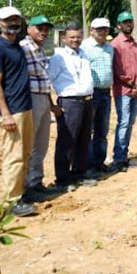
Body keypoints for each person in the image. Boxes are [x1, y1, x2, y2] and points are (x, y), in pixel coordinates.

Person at [0, 7, 37, 216]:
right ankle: (12, 201)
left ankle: (21, 193)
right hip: (12, 111)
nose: (13, 23)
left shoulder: (16, 45)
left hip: (24, 107)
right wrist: (6, 114)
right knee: (14, 156)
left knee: (25, 154)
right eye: (8, 20)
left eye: (16, 19)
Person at [48, 22, 96, 190]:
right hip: (69, 102)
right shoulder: (58, 57)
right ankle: (62, 179)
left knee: (83, 139)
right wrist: (52, 104)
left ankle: (79, 173)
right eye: (72, 37)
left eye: (78, 37)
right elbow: (48, 80)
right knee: (67, 141)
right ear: (64, 38)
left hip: (87, 101)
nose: (76, 40)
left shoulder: (84, 55)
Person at [20, 15, 58, 200]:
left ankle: (36, 182)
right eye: (39, 28)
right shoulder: (23, 48)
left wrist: (51, 104)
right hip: (30, 98)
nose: (43, 32)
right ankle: (24, 187)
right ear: (29, 29)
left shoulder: (41, 49)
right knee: (28, 144)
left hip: (43, 97)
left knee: (41, 145)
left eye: (46, 29)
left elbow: (45, 80)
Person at [110, 12, 137, 172]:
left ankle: (124, 155)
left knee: (130, 123)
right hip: (123, 90)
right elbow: (118, 71)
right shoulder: (115, 45)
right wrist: (134, 85)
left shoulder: (136, 44)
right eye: (125, 22)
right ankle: (118, 158)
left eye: (130, 21)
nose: (128, 24)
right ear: (119, 25)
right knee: (123, 122)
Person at [81, 18, 114, 175]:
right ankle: (88, 165)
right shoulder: (84, 47)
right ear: (92, 30)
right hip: (91, 93)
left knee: (102, 129)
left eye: (105, 29)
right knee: (89, 130)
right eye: (99, 29)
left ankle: (99, 162)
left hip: (106, 92)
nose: (102, 32)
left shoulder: (109, 48)